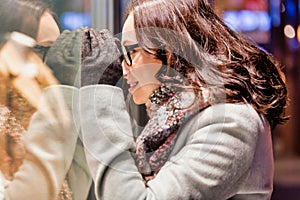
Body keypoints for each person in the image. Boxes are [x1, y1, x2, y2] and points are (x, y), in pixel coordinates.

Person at [78, 0, 288, 199]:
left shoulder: (232, 121)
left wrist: (100, 96)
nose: (123, 68)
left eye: (131, 52)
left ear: (170, 51)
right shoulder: (170, 119)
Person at [0, 0, 92, 199]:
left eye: (59, 50)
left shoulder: (36, 117)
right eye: (43, 50)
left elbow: (74, 192)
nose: (53, 62)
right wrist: (61, 95)